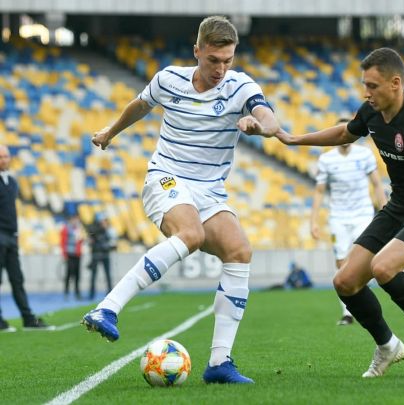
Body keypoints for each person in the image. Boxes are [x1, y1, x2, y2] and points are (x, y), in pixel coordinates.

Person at [81, 16, 281, 384]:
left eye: (228, 61)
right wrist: (110, 132)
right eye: (213, 60)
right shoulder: (168, 79)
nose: (220, 69)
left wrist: (259, 126)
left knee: (239, 251)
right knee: (190, 234)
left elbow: (269, 119)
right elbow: (140, 105)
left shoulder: (240, 87)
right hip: (166, 177)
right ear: (197, 52)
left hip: (210, 190)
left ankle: (219, 363)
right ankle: (107, 308)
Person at [274, 48, 404, 378]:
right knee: (344, 281)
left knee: (383, 267)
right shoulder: (372, 111)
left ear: (395, 83)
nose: (366, 93)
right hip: (398, 206)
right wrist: (293, 139)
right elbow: (345, 132)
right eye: (364, 85)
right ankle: (388, 346)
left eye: (372, 86)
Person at [311, 117, 387, 326]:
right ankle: (348, 312)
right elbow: (319, 191)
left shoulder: (364, 154)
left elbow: (377, 184)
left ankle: (363, 303)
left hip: (363, 215)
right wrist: (313, 221)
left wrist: (385, 211)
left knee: (363, 260)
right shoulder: (326, 159)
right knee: (341, 261)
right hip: (338, 217)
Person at [0, 145, 52, 331]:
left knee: (17, 279)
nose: (4, 160)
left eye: (6, 156)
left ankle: (28, 319)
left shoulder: (12, 182)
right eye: (0, 157)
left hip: (11, 236)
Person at [86, 212, 115, 300]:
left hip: (105, 254)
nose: (105, 222)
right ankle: (92, 293)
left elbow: (110, 241)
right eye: (103, 221)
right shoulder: (94, 229)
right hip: (96, 254)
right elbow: (91, 233)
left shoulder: (107, 230)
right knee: (94, 275)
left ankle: (110, 292)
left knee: (107, 275)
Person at [60, 213, 84, 300]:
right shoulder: (66, 229)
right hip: (69, 254)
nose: (76, 221)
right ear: (71, 219)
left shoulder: (78, 229)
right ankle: (66, 292)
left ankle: (77, 293)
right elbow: (63, 242)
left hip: (77, 254)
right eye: (75, 219)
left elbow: (80, 241)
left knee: (77, 274)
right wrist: (64, 254)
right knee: (69, 274)